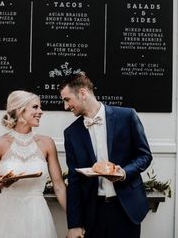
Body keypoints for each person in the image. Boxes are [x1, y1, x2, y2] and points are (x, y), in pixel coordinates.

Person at [58, 72, 153, 238]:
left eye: (67, 99)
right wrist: (74, 224)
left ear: (82, 93)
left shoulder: (127, 116)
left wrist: (124, 172)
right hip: (92, 213)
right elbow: (74, 180)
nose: (66, 106)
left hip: (126, 209)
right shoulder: (71, 133)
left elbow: (144, 156)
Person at [0, 90, 66, 238]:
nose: (41, 112)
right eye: (35, 107)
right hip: (5, 215)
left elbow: (59, 185)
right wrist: (0, 182)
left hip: (37, 214)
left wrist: (74, 220)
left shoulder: (47, 143)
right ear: (20, 109)